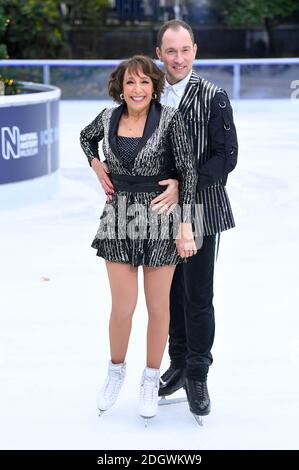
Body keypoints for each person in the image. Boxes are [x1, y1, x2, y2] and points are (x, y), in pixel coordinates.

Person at [79, 55, 197, 422]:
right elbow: (86, 139)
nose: (138, 89)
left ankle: (150, 378)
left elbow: (188, 172)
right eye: (131, 82)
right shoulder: (107, 117)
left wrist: (186, 225)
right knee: (123, 308)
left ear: (154, 86)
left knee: (158, 307)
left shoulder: (170, 119)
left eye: (145, 82)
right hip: (118, 218)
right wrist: (96, 163)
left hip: (161, 218)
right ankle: (115, 371)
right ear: (121, 87)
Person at [155, 20, 238, 419]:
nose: (179, 58)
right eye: (171, 51)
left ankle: (198, 372)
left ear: (195, 50)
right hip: (159, 211)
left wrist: (184, 186)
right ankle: (178, 365)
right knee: (168, 294)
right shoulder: (149, 95)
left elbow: (228, 157)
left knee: (197, 295)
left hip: (202, 207)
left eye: (185, 49)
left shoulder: (213, 96)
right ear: (159, 54)